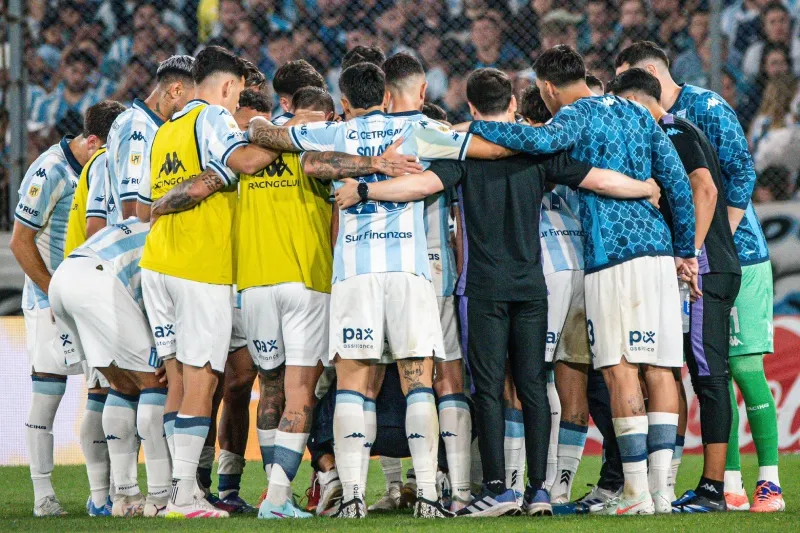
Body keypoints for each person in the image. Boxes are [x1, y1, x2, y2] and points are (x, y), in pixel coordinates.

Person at [334, 66, 665, 518]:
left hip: (483, 288)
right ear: (512, 104)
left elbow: (420, 186)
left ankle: (497, 490)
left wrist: (366, 188)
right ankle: (540, 491)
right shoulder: (538, 153)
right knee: (533, 385)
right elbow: (598, 179)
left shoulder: (464, 155)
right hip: (533, 286)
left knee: (489, 389)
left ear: (471, 108)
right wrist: (645, 187)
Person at [246, 61, 514, 519]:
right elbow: (487, 148)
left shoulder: (336, 133)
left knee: (353, 384)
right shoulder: (421, 131)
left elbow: (272, 140)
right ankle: (429, 495)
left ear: (344, 102)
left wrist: (261, 120)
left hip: (354, 274)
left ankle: (352, 497)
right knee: (418, 382)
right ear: (387, 98)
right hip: (409, 275)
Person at [466, 46, 697, 516]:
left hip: (611, 255)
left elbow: (530, 144)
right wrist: (685, 249)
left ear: (548, 88)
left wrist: (465, 131)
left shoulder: (575, 116)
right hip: (659, 252)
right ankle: (663, 491)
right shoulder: (638, 111)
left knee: (621, 368)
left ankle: (634, 493)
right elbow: (675, 179)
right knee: (662, 368)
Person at [615, 41, 784, 514]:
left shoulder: (702, 108)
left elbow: (738, 175)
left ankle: (768, 482)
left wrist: (708, 245)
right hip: (697, 261)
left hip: (739, 256)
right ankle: (728, 483)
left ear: (647, 74)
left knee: (742, 370)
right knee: (711, 372)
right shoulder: (650, 128)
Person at [135, 45, 281, 519]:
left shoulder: (167, 130)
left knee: (178, 377)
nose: (237, 102)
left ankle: (170, 490)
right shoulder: (214, 117)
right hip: (200, 267)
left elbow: (178, 191)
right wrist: (293, 138)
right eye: (237, 92)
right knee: (204, 377)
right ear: (225, 86)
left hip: (158, 262)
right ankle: (183, 496)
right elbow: (248, 162)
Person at [610, 67, 743, 512]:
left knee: (709, 376)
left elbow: (703, 190)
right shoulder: (675, 130)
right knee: (687, 369)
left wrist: (691, 251)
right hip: (698, 269)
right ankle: (681, 483)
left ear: (641, 101)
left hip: (703, 271)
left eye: (627, 107)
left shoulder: (672, 130)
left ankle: (713, 488)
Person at [10, 102, 110, 517]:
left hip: (91, 301)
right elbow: (20, 240)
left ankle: (101, 496)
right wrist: (54, 292)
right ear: (90, 141)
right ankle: (43, 496)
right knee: (48, 393)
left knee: (103, 392)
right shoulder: (49, 169)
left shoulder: (99, 167)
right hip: (49, 301)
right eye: (107, 149)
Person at [517, 86, 591, 506]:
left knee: (533, 375)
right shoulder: (575, 146)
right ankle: (561, 484)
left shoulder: (523, 148)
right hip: (582, 260)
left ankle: (532, 482)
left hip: (547, 269)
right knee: (572, 372)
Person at [106, 56, 196, 221]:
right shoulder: (138, 127)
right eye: (193, 100)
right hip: (138, 243)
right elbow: (133, 212)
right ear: (176, 90)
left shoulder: (139, 121)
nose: (194, 109)